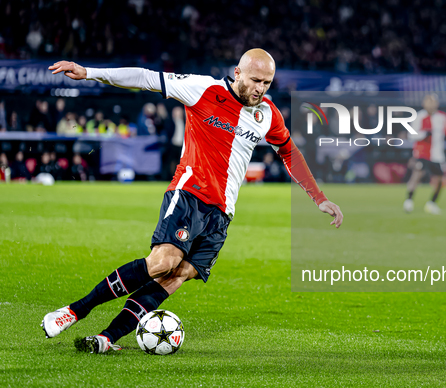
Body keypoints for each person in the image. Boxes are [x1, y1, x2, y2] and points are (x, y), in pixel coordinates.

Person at [42, 49, 343, 353]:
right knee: (162, 262)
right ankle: (74, 311)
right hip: (190, 195)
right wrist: (90, 72)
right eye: (255, 80)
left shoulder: (268, 114)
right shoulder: (203, 89)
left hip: (222, 214)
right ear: (237, 73)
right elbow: (145, 78)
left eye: (267, 83)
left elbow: (289, 151)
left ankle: (108, 338)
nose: (260, 89)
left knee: (177, 276)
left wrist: (318, 198)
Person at [403, 94, 446, 215]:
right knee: (418, 174)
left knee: (440, 179)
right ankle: (409, 200)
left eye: (433, 102)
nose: (431, 105)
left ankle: (432, 203)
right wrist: (424, 134)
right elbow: (411, 135)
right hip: (422, 153)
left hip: (437, 154)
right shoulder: (419, 116)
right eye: (429, 102)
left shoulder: (443, 117)